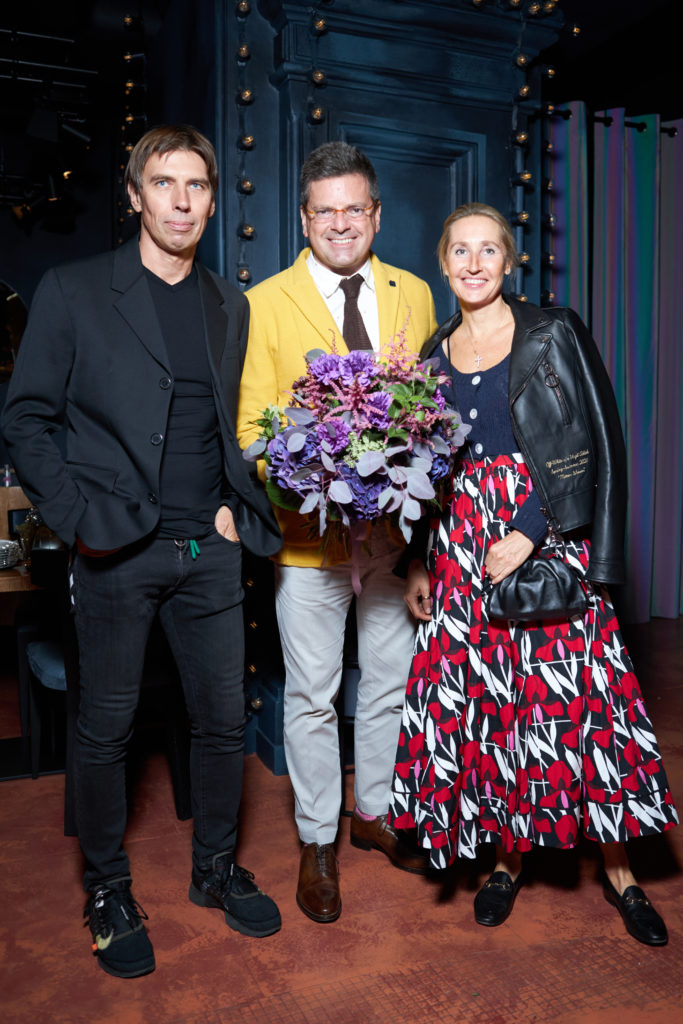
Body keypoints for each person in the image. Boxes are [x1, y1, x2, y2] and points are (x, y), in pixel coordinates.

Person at [1, 125, 283, 978]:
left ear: (211, 199)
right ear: (134, 196)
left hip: (211, 550)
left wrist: (236, 507)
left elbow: (225, 426)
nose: (181, 201)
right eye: (164, 183)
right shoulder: (74, 290)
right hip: (116, 551)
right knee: (105, 728)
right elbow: (26, 418)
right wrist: (79, 517)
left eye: (196, 185)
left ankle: (215, 868)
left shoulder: (229, 303)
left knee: (223, 721)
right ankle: (107, 890)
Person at [390, 202, 677, 945]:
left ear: (509, 261)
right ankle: (505, 861)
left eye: (488, 250)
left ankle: (621, 872)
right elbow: (423, 468)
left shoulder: (552, 331)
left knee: (575, 702)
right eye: (460, 250)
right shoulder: (433, 351)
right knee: (489, 703)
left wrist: (529, 530)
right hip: (459, 543)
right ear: (443, 262)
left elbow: (592, 438)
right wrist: (417, 558)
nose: (474, 263)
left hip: (544, 526)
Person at [237, 141, 437, 923]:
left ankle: (374, 813)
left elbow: (429, 410)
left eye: (355, 208)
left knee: (388, 681)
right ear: (303, 218)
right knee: (313, 696)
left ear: (376, 214)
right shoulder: (263, 302)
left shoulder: (414, 292)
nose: (341, 223)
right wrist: (306, 476)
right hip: (305, 539)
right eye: (326, 210)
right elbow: (251, 428)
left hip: (391, 538)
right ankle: (317, 837)